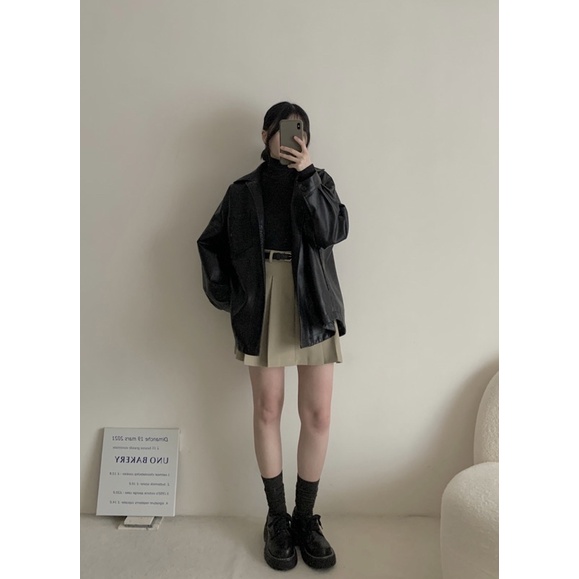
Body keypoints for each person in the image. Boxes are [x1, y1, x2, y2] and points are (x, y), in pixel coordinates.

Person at [197, 102, 348, 571]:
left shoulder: (318, 182)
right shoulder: (242, 191)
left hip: (312, 299)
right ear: (265, 134)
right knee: (268, 409)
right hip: (263, 299)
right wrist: (235, 298)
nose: (293, 137)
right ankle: (277, 519)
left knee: (318, 413)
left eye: (301, 130)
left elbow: (332, 231)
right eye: (284, 129)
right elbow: (210, 243)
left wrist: (308, 177)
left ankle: (305, 519)